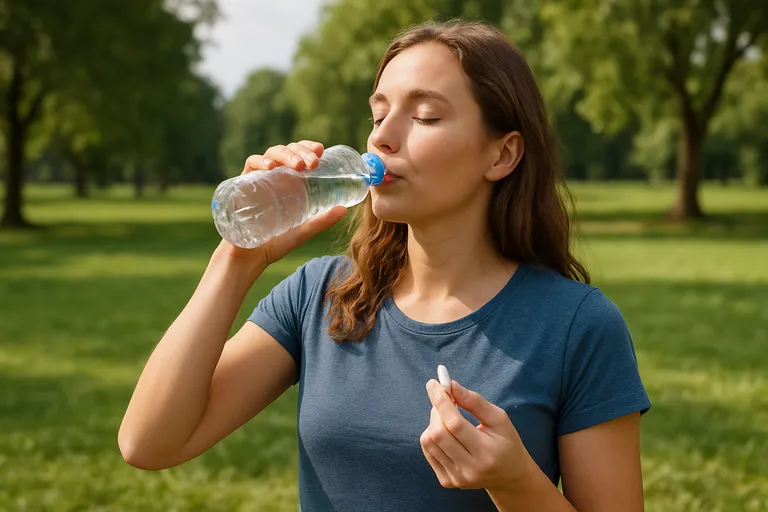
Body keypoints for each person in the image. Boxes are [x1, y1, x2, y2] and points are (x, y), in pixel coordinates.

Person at [119, 20, 651, 512]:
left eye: (425, 116)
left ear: (502, 155)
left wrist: (515, 483)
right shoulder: (320, 295)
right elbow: (149, 442)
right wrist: (237, 258)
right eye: (378, 115)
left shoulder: (578, 327)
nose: (381, 137)